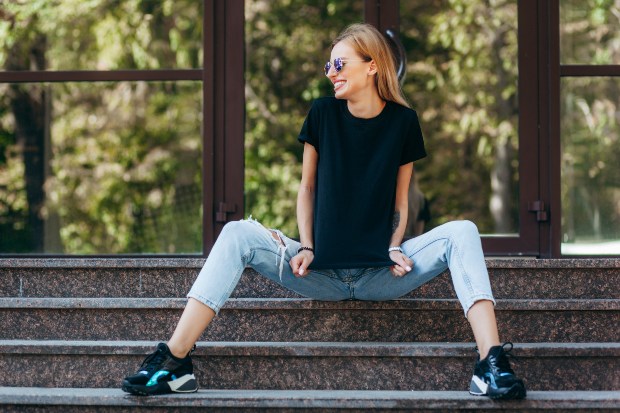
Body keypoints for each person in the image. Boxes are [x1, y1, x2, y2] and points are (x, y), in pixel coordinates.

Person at [121, 23, 526, 400]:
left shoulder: (404, 123)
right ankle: (175, 361)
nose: (331, 72)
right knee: (236, 233)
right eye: (328, 65)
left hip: (379, 273)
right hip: (319, 272)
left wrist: (394, 245)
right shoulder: (321, 113)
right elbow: (308, 187)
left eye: (339, 63)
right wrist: (308, 246)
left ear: (372, 66)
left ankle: (490, 364)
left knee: (463, 231)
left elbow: (401, 201)